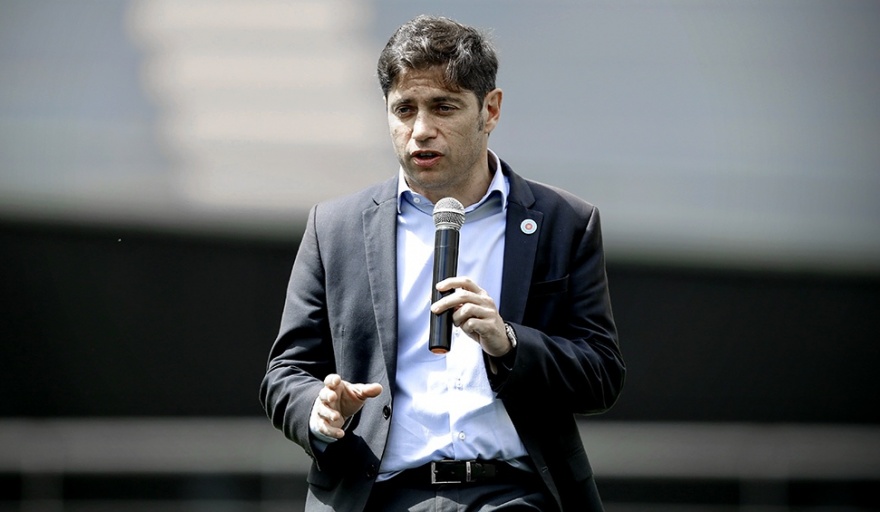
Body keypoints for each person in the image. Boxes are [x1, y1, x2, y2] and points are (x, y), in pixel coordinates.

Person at [260, 14, 625, 512]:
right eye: (404, 109)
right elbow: (286, 373)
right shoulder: (335, 228)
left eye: (443, 107)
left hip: (514, 496)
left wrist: (509, 344)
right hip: (376, 495)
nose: (421, 130)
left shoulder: (565, 222)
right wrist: (318, 411)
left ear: (490, 110)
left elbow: (601, 375)